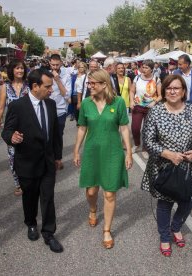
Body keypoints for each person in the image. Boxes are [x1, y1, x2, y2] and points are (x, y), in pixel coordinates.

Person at [141, 74, 192, 257]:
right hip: (163, 167)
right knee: (164, 203)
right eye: (169, 88)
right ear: (163, 91)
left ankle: (176, 226)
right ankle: (165, 237)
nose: (172, 91)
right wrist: (168, 154)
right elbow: (148, 141)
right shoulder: (155, 112)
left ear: (183, 91)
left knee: (188, 200)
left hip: (187, 167)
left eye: (176, 88)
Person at [1, 69, 64, 253]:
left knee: (48, 197)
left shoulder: (51, 105)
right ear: (35, 86)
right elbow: (7, 130)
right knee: (30, 198)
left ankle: (49, 233)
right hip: (27, 163)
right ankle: (30, 223)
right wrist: (11, 136)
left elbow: (55, 136)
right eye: (47, 86)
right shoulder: (18, 106)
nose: (51, 90)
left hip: (47, 162)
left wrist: (58, 157)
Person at [73, 69, 132, 249]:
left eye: (93, 83)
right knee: (91, 192)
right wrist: (76, 151)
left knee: (109, 193)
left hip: (113, 152)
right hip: (92, 152)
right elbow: (82, 128)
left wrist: (128, 152)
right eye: (88, 83)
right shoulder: (86, 104)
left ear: (104, 84)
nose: (89, 86)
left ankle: (107, 230)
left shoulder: (119, 102)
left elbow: (123, 128)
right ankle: (92, 209)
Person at [0, 60, 29, 196]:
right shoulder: (5, 87)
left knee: (27, 154)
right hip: (11, 128)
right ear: (12, 70)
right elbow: (0, 108)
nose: (20, 70)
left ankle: (28, 180)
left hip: (27, 126)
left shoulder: (29, 86)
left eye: (22, 68)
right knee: (13, 156)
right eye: (17, 68)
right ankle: (18, 184)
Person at [129, 59, 161, 159]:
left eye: (146, 67)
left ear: (151, 69)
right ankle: (137, 144)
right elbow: (131, 91)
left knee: (147, 130)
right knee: (135, 128)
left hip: (150, 108)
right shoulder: (137, 78)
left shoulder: (156, 79)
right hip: (137, 106)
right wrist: (131, 101)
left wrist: (154, 102)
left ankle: (145, 149)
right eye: (143, 67)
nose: (144, 69)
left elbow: (161, 95)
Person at [49, 54, 71, 169]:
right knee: (47, 135)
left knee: (58, 136)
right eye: (53, 65)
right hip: (47, 110)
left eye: (57, 65)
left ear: (61, 64)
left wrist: (57, 80)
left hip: (60, 110)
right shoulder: (45, 74)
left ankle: (58, 159)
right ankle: (49, 158)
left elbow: (66, 94)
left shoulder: (66, 75)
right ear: (50, 63)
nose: (55, 67)